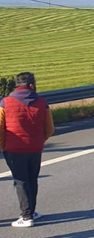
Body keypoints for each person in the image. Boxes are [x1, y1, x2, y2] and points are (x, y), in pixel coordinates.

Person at [1, 72, 55, 228]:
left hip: (14, 148)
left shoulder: (5, 102)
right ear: (31, 85)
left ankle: (26, 216)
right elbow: (50, 128)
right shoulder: (42, 103)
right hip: (35, 148)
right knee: (32, 179)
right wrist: (40, 140)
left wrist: (3, 144)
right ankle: (31, 211)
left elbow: (0, 127)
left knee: (21, 181)